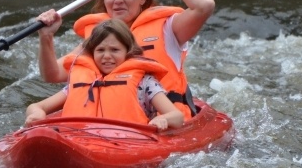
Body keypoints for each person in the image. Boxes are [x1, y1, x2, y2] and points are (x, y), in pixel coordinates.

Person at [35, 0, 215, 121]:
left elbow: (204, 5)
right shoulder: (98, 37)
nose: (118, 0)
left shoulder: (168, 27)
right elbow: (52, 74)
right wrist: (46, 37)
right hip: (111, 125)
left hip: (163, 122)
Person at [24, 19, 184, 130]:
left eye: (115, 50)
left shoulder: (145, 82)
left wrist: (164, 119)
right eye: (100, 50)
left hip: (129, 144)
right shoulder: (83, 82)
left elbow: (177, 116)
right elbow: (37, 106)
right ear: (92, 52)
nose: (107, 56)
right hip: (83, 140)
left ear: (128, 52)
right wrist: (37, 113)